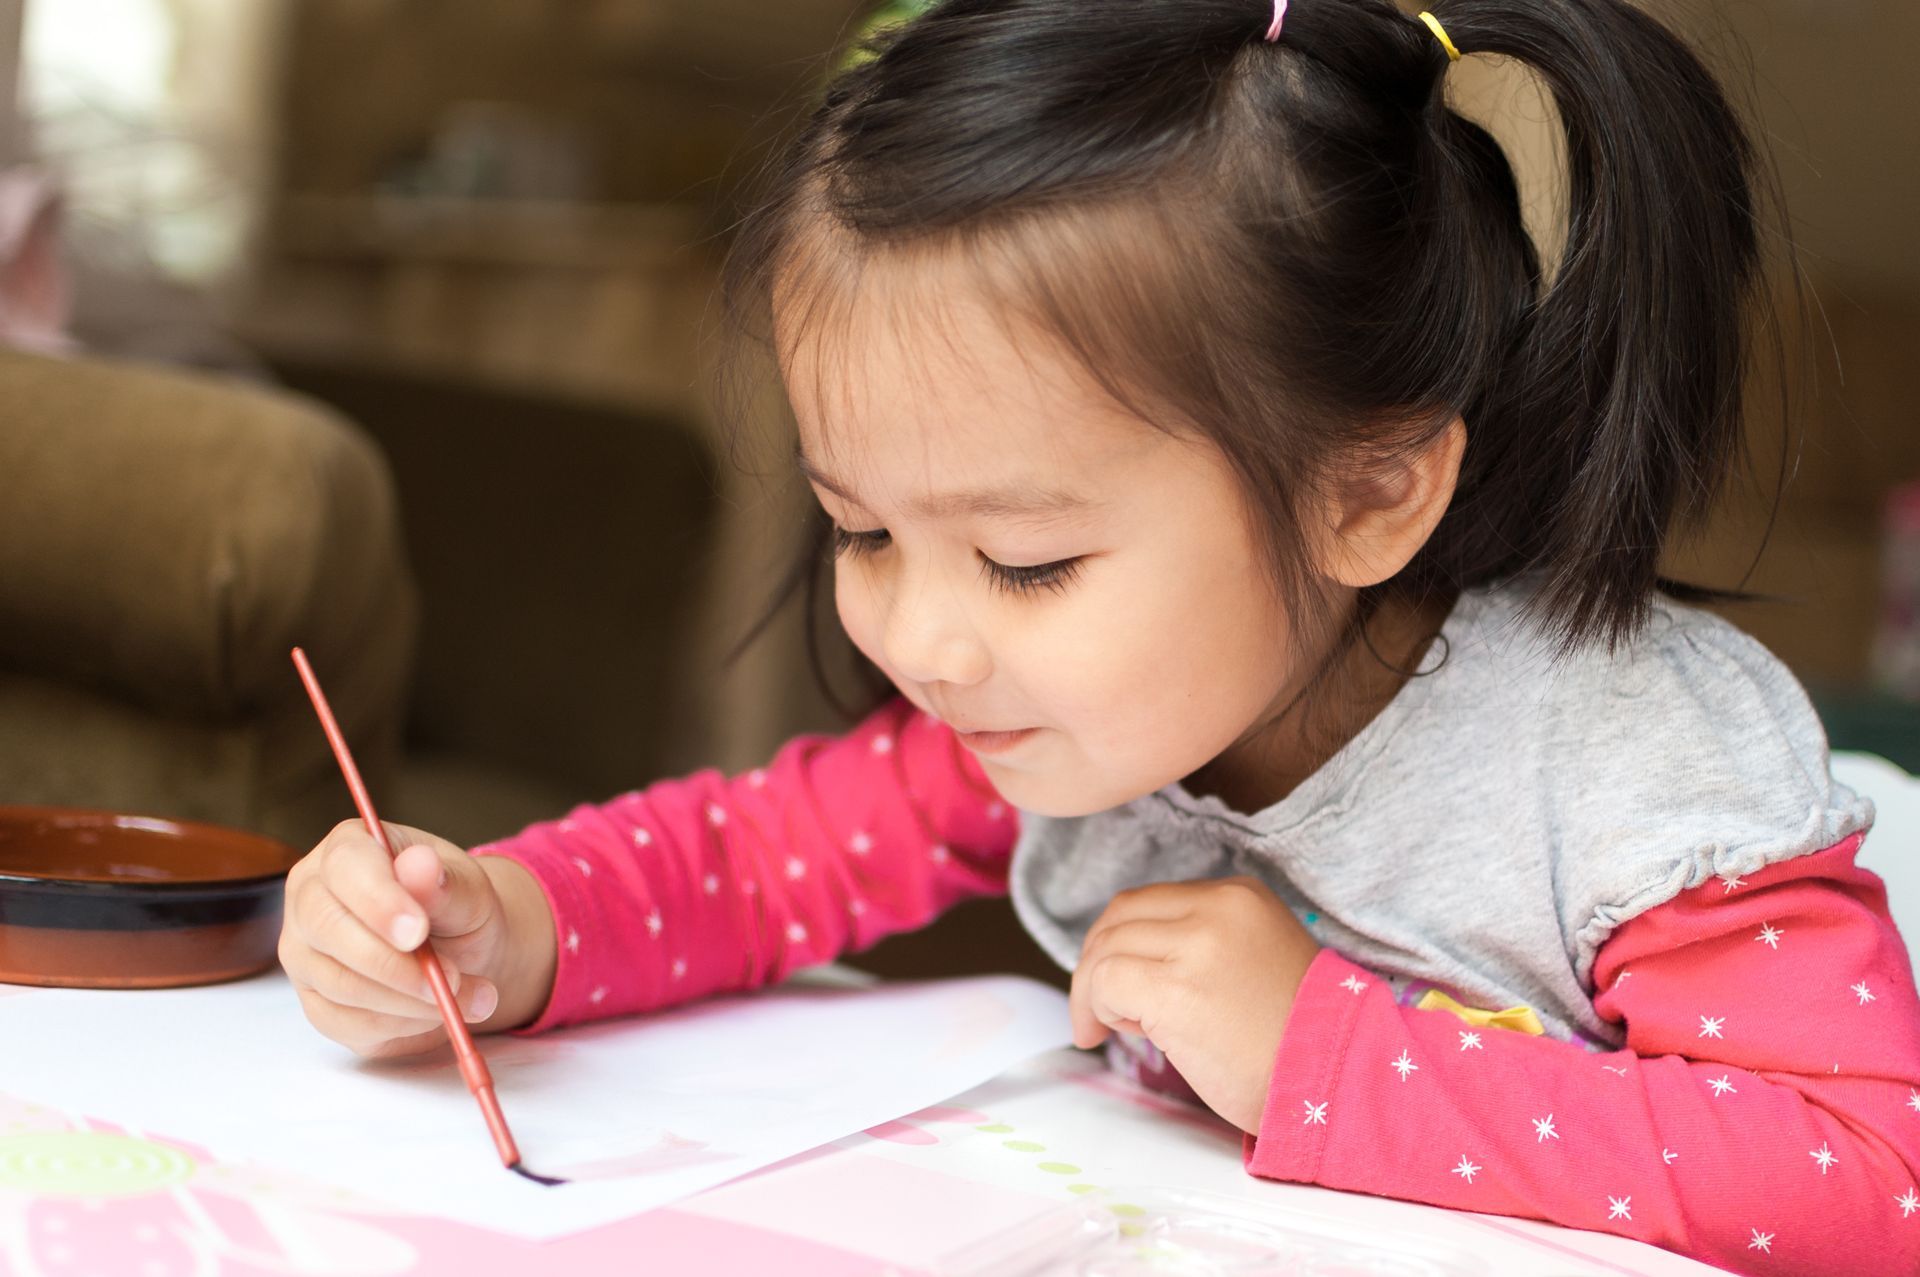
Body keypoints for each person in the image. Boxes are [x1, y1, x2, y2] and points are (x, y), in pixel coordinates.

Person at [277, 1, 1920, 1270]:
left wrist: (1317, 1056)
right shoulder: (1083, 713)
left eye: (1028, 560)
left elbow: (1874, 1176)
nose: (925, 634)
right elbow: (758, 861)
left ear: (1367, 495)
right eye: (862, 531)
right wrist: (507, 924)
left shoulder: (1631, 778)